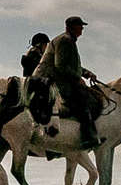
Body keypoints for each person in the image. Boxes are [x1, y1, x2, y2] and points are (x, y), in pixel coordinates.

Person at [35, 15, 101, 149]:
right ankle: (87, 137)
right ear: (71, 27)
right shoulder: (65, 40)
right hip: (48, 79)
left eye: (82, 26)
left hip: (56, 77)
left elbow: (72, 66)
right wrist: (78, 78)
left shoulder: (69, 40)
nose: (82, 28)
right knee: (83, 99)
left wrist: (87, 73)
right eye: (79, 25)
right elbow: (61, 66)